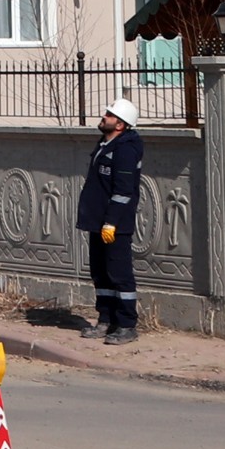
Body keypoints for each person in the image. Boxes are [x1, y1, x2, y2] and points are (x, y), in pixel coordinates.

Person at [77, 96, 144, 343]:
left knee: (119, 273)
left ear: (120, 124)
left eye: (109, 115)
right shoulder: (106, 144)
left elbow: (124, 191)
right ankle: (106, 319)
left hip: (114, 225)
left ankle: (127, 325)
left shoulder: (126, 149)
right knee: (101, 274)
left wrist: (111, 222)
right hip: (98, 221)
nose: (104, 116)